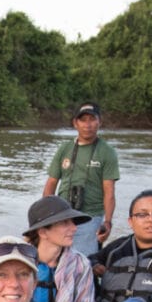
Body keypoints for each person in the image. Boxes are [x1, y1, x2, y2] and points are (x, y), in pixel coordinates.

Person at [22, 194, 98, 302]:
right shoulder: (19, 261)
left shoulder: (80, 264)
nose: (74, 228)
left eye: (73, 222)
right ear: (43, 232)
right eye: (65, 222)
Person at [43, 102, 120, 259]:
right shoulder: (64, 148)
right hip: (62, 215)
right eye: (83, 120)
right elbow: (51, 184)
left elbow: (109, 191)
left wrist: (108, 222)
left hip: (91, 217)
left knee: (83, 263)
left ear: (99, 122)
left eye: (92, 119)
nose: (87, 124)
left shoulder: (107, 152)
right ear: (75, 123)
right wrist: (45, 215)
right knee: (53, 260)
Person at [88, 188, 152, 298]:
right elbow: (89, 260)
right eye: (142, 215)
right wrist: (95, 265)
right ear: (130, 222)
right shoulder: (117, 248)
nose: (151, 219)